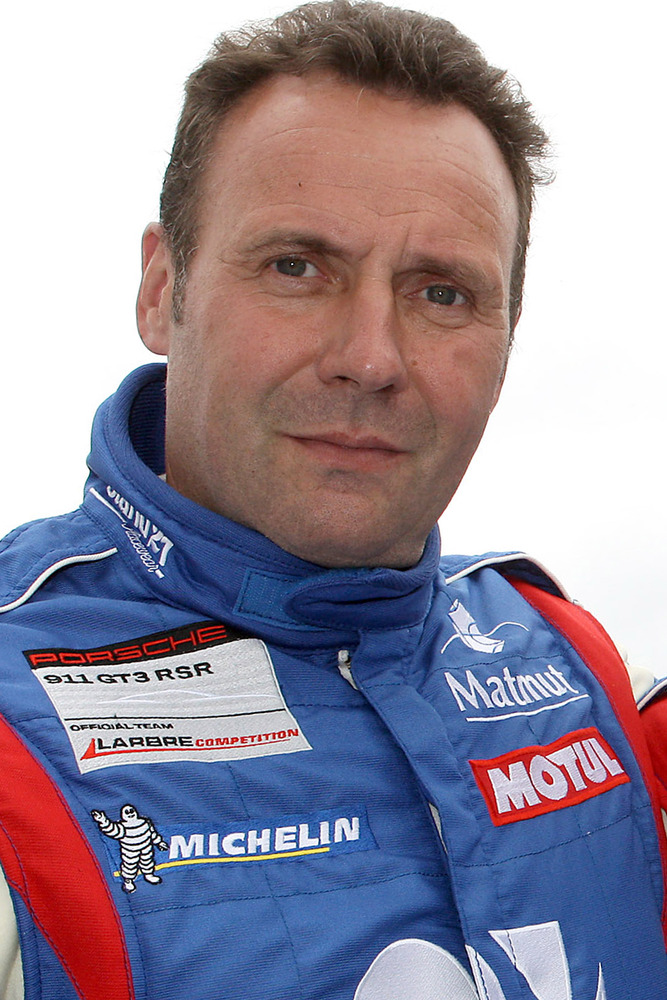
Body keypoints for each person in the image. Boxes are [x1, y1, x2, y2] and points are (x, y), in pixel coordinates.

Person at [0, 2, 666, 998]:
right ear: (161, 289)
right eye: (296, 267)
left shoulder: (589, 680)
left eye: (441, 292)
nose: (370, 357)